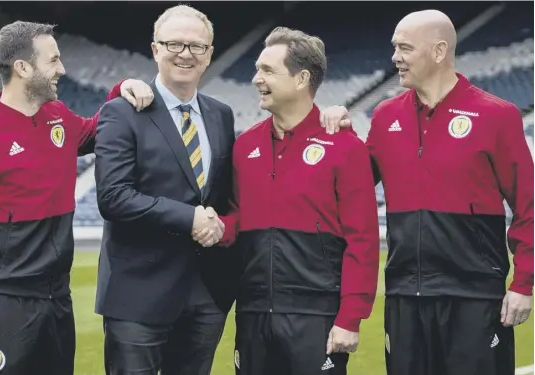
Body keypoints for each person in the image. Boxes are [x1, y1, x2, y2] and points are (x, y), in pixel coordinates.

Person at [0, 20, 153, 375]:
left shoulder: (57, 117)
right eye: (53, 60)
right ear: (22, 67)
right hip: (2, 304)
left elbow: (97, 131)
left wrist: (122, 88)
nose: (62, 69)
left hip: (56, 300)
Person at [319, 10, 533, 375]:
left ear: (438, 51)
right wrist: (341, 137)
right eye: (394, 48)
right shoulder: (385, 116)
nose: (394, 58)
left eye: (404, 48)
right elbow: (354, 181)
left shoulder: (498, 116)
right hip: (404, 297)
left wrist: (524, 282)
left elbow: (529, 206)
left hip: (475, 298)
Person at [195, 26, 380, 375]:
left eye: (267, 70)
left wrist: (350, 318)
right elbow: (239, 218)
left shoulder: (345, 147)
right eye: (256, 69)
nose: (256, 79)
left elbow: (363, 239)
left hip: (316, 317)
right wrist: (220, 227)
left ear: (301, 79)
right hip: (252, 313)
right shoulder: (244, 145)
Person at [93, 5, 239, 375]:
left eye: (196, 46)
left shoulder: (221, 114)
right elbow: (113, 198)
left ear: (209, 54)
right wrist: (188, 217)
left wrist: (218, 224)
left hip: (207, 292)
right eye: (174, 44)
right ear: (155, 49)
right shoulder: (121, 112)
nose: (185, 54)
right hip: (138, 294)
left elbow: (219, 196)